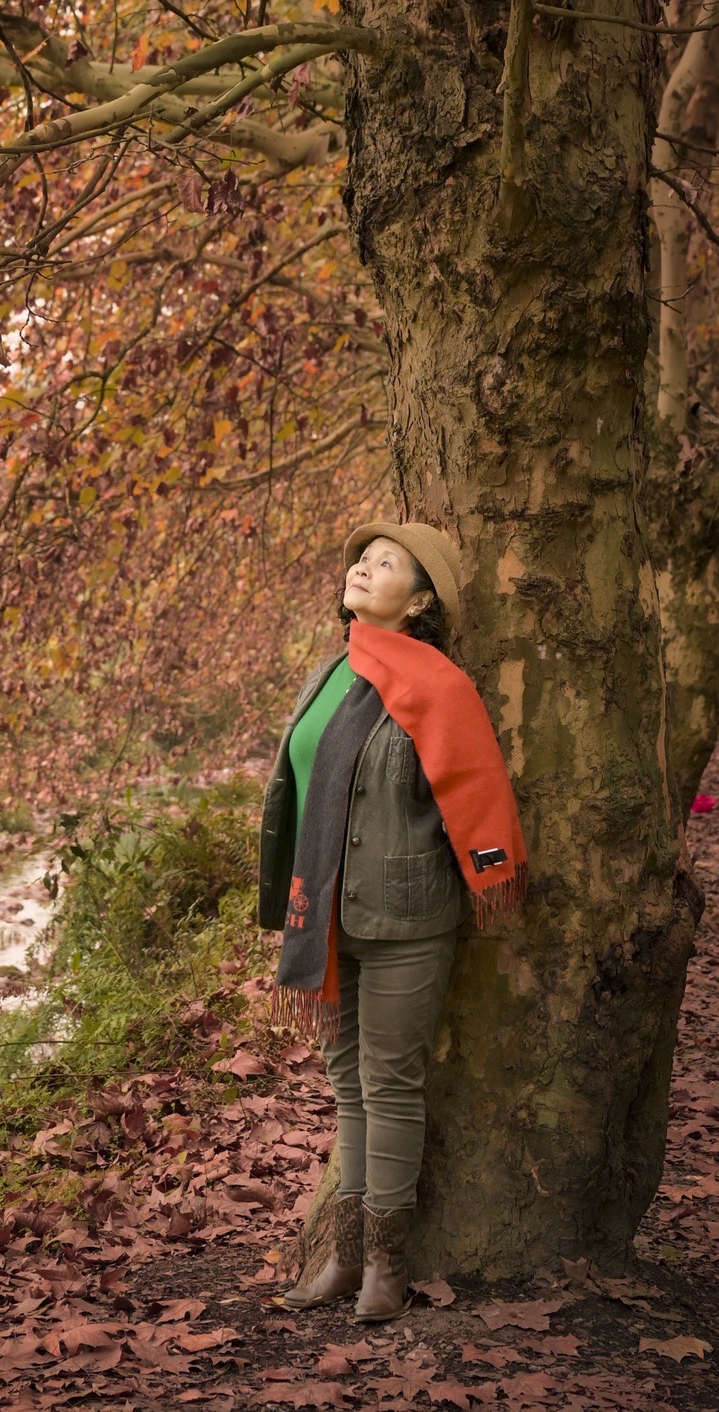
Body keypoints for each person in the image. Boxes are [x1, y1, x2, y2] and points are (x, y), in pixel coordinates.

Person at [257, 521, 527, 1320]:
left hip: (408, 917)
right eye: (361, 559)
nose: (363, 569)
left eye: (386, 565)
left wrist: (488, 868)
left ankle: (384, 1267)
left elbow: (471, 786)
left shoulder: (438, 684)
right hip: (330, 910)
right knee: (347, 1086)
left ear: (418, 604)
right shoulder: (331, 672)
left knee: (390, 1083)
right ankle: (343, 1256)